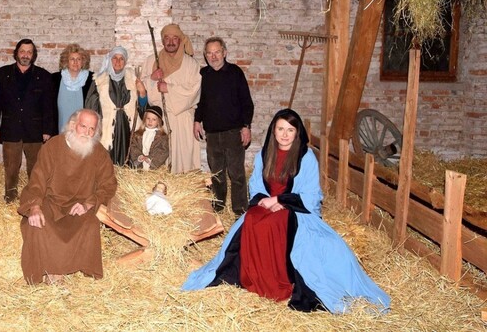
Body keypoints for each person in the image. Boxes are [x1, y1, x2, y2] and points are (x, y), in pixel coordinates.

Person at [182, 109, 391, 314]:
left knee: (274, 223)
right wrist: (264, 200)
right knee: (252, 219)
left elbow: (311, 193)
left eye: (290, 130)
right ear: (273, 131)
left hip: (294, 208)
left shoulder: (306, 156)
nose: (284, 134)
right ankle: (255, 279)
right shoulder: (264, 154)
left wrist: (282, 200)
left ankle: (277, 281)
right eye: (280, 129)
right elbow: (255, 185)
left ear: (297, 133)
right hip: (267, 203)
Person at [17, 109, 117, 285]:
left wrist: (88, 204)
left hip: (78, 206)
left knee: (90, 224)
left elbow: (108, 185)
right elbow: (37, 180)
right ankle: (51, 271)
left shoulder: (99, 153)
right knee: (38, 224)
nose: (87, 133)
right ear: (72, 125)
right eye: (83, 126)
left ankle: (66, 267)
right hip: (50, 201)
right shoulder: (53, 146)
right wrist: (35, 207)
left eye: (91, 129)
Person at [0, 39, 56, 203]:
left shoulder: (44, 76)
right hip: (10, 129)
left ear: (33, 55)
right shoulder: (2, 74)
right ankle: (10, 197)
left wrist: (48, 129)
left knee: (35, 168)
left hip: (35, 130)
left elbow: (49, 106)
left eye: (29, 52)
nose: (25, 55)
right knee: (11, 167)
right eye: (22, 51)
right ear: (16, 53)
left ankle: (34, 198)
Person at [193, 37, 254, 215]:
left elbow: (247, 102)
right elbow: (201, 102)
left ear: (224, 52)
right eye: (209, 53)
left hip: (233, 132)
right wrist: (197, 121)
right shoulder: (203, 75)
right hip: (212, 134)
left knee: (236, 174)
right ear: (205, 56)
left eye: (217, 52)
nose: (213, 56)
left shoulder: (235, 73)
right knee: (217, 173)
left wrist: (246, 126)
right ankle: (218, 206)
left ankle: (240, 210)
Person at [142, 24, 201, 173]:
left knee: (182, 164)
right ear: (162, 41)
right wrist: (151, 78)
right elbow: (140, 89)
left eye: (175, 38)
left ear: (180, 40)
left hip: (182, 120)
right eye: (167, 38)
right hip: (158, 121)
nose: (171, 41)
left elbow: (194, 91)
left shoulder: (191, 64)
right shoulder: (151, 61)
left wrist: (169, 88)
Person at [85, 46, 146, 166]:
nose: (118, 62)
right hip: (108, 127)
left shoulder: (132, 79)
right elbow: (91, 107)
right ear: (110, 60)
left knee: (129, 156)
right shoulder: (99, 80)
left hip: (127, 127)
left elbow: (142, 107)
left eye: (121, 59)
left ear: (125, 61)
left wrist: (142, 92)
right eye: (115, 58)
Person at [52, 44, 94, 133]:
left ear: (83, 61)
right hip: (60, 127)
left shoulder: (91, 80)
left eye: (78, 59)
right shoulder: (55, 79)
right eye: (72, 59)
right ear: (66, 61)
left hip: (83, 129)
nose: (75, 62)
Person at [128, 105, 169, 170]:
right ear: (144, 119)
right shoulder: (138, 134)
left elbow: (164, 151)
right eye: (148, 118)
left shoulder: (162, 137)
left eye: (154, 119)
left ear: (159, 121)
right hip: (140, 166)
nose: (150, 121)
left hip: (154, 168)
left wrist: (151, 159)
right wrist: (139, 156)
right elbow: (133, 146)